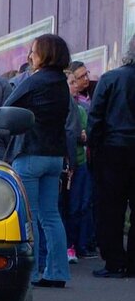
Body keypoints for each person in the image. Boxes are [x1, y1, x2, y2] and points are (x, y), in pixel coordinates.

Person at [3, 33, 72, 288]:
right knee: (51, 216)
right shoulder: (62, 84)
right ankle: (57, 273)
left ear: (44, 53)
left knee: (28, 218)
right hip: (54, 155)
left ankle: (29, 274)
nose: (30, 56)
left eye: (33, 51)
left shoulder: (34, 81)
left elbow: (7, 108)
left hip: (30, 153)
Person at [86, 33, 135, 278]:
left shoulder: (111, 78)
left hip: (113, 149)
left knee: (110, 209)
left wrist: (93, 147)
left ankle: (114, 261)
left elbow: (96, 117)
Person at [62, 69, 97, 263]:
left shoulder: (81, 109)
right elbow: (76, 134)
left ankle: (75, 245)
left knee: (78, 206)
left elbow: (84, 134)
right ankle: (70, 245)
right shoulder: (67, 108)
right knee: (66, 207)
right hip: (68, 162)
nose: (76, 85)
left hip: (78, 162)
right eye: (72, 81)